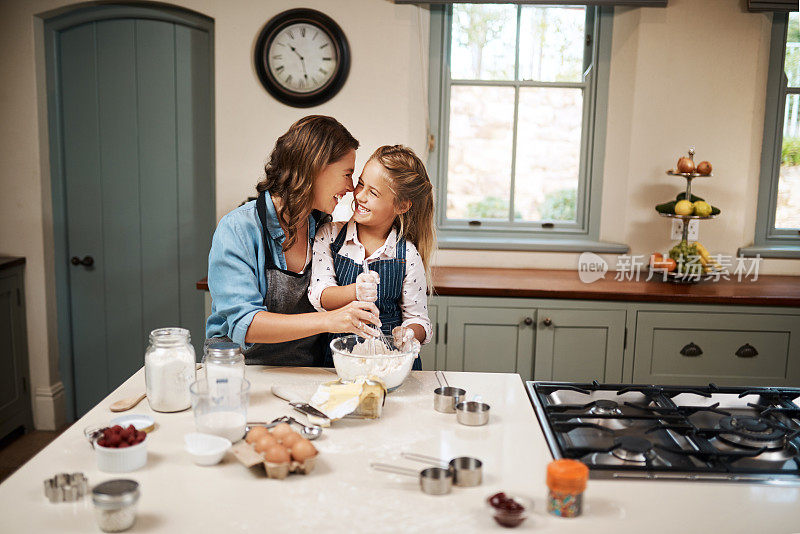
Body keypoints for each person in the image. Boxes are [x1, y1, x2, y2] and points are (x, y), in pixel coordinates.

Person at [205, 116, 382, 366]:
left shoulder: (323, 228)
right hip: (239, 373)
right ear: (315, 167)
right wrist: (329, 320)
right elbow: (247, 324)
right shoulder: (238, 229)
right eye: (347, 174)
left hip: (304, 372)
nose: (351, 188)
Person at [308, 145, 435, 369]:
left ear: (402, 205)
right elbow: (320, 295)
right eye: (360, 184)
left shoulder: (407, 254)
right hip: (340, 361)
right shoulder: (329, 236)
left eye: (373, 192)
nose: (359, 195)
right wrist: (354, 291)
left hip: (392, 365)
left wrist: (408, 333)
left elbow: (419, 320)